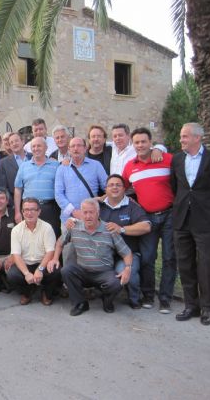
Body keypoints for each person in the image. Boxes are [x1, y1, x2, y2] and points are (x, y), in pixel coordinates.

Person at [171, 123, 210, 326]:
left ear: (197, 138)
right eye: (181, 136)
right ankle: (191, 305)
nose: (181, 140)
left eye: (185, 136)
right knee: (185, 264)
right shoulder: (177, 160)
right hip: (181, 220)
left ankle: (207, 307)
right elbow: (175, 187)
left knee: (206, 265)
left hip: (204, 221)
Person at [122, 127, 177, 314]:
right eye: (136, 142)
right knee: (147, 257)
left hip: (170, 215)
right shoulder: (130, 166)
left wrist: (160, 150)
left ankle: (165, 298)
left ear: (150, 142)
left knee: (170, 257)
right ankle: (148, 295)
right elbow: (120, 188)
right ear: (133, 144)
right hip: (147, 218)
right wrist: (101, 199)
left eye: (143, 141)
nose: (140, 145)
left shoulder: (166, 159)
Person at [53, 199, 133, 316]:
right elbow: (60, 243)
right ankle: (80, 303)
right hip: (82, 271)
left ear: (98, 213)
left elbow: (126, 252)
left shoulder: (109, 230)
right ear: (81, 213)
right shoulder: (74, 227)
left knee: (117, 283)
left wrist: (127, 268)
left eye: (91, 212)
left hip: (103, 273)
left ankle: (107, 299)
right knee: (66, 271)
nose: (88, 216)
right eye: (85, 212)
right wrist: (55, 259)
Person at [99, 174, 151, 309]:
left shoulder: (132, 206)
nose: (114, 187)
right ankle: (105, 296)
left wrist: (121, 229)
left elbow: (146, 226)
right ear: (106, 189)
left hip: (127, 254)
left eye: (118, 185)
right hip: (105, 253)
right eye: (111, 185)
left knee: (126, 271)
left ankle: (134, 298)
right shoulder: (99, 206)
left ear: (124, 189)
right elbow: (85, 211)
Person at [8, 197, 60, 305]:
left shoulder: (47, 228)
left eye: (33, 209)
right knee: (12, 274)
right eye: (26, 210)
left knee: (56, 270)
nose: (29, 213)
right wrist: (26, 273)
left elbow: (50, 252)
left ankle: (46, 293)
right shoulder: (16, 230)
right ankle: (27, 293)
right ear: (22, 212)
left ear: (39, 211)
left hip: (42, 263)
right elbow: (16, 255)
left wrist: (40, 269)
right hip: (25, 263)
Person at [55, 137, 107, 226]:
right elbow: (58, 194)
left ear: (85, 148)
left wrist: (102, 198)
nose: (76, 148)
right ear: (69, 149)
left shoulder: (96, 165)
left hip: (92, 217)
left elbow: (108, 188)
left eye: (79, 145)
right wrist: (74, 212)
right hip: (69, 219)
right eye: (73, 146)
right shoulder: (62, 169)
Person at [14, 137, 60, 236]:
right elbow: (18, 189)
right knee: (29, 239)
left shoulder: (56, 165)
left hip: (50, 209)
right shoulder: (24, 166)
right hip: (29, 210)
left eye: (39, 146)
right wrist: (17, 211)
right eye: (33, 146)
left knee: (51, 238)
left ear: (46, 148)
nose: (36, 148)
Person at [0, 132, 32, 207]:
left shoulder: (33, 157)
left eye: (16, 141)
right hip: (14, 205)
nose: (14, 144)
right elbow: (3, 187)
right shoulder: (3, 163)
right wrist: (13, 205)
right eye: (11, 142)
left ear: (23, 141)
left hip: (35, 203)